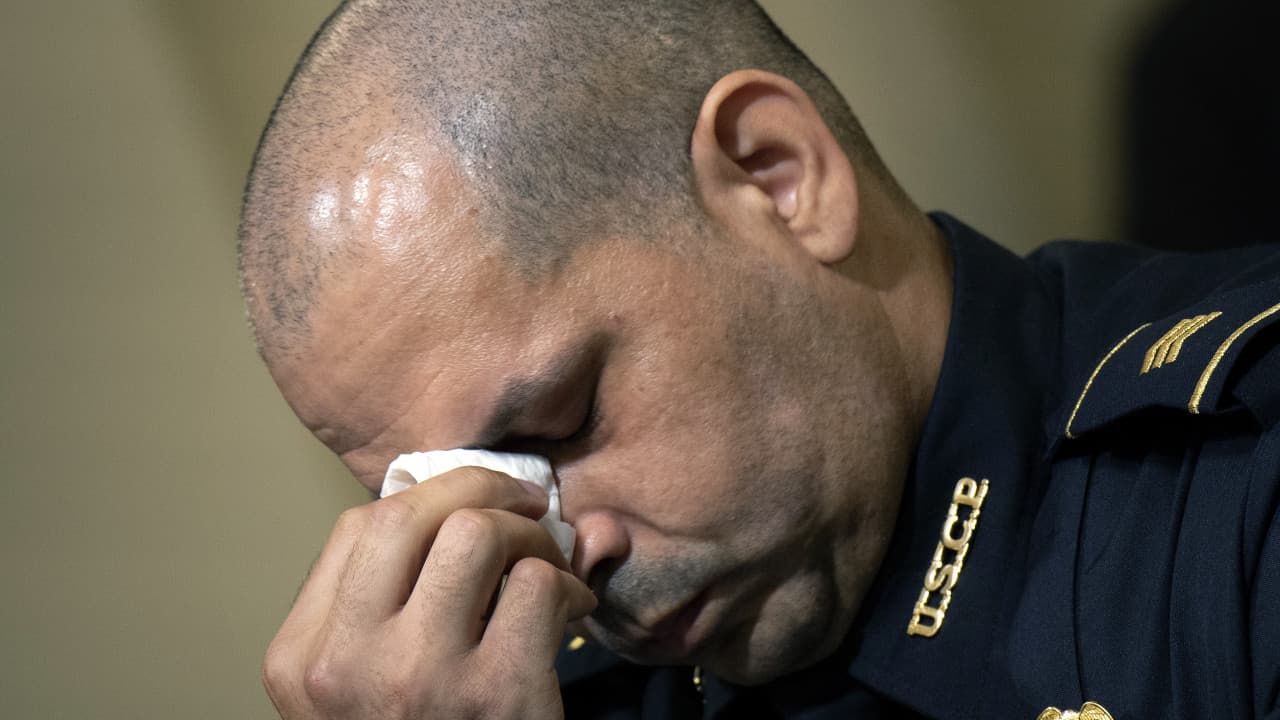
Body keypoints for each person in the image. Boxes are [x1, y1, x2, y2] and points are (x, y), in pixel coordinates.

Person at [236, 1, 1280, 717]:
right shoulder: (537, 695)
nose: (565, 552)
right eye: (447, 506)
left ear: (778, 178)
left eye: (562, 421)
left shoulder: (1244, 477)